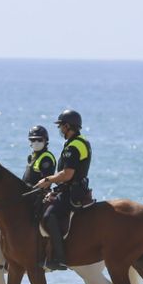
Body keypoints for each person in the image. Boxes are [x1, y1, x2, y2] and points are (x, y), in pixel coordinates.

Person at [32, 109, 91, 271]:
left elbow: (67, 174)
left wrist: (47, 180)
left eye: (61, 127)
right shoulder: (80, 141)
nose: (60, 130)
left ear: (68, 126)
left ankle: (60, 258)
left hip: (73, 191)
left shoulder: (73, 147)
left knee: (49, 215)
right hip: (73, 188)